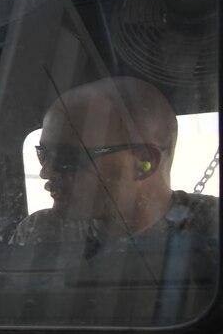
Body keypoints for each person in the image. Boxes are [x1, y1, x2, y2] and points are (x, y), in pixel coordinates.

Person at [16, 77, 218, 249]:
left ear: (144, 162)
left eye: (67, 157)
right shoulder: (38, 233)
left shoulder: (212, 228)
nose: (46, 172)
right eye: (43, 154)